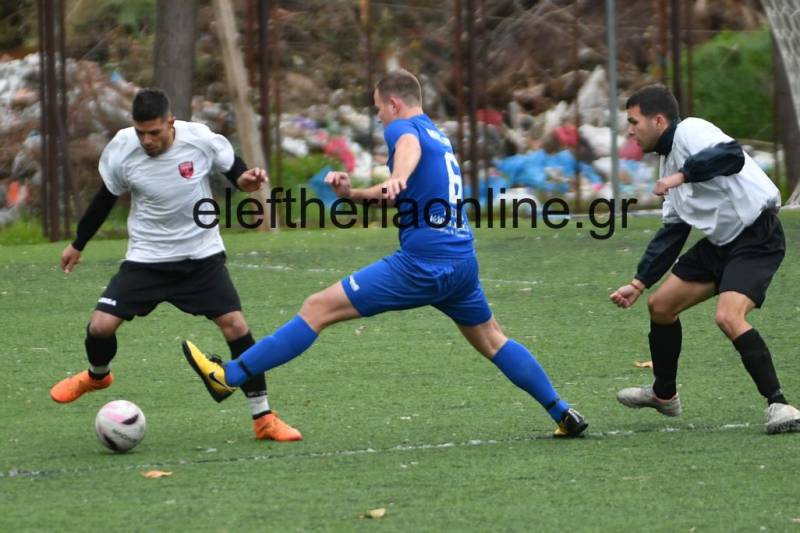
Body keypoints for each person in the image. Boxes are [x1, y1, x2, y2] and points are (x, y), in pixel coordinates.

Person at [182, 70, 588, 438]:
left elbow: (405, 150)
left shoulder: (403, 128)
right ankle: (562, 411)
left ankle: (229, 375)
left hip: (424, 263)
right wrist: (353, 194)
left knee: (317, 308)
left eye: (378, 109)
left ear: (394, 103)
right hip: (461, 261)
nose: (378, 118)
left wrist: (398, 176)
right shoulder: (437, 134)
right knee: (494, 340)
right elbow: (399, 190)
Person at [49, 88, 301, 442]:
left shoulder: (199, 139)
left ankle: (263, 418)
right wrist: (78, 243)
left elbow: (234, 169)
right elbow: (105, 198)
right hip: (146, 260)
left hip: (200, 257)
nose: (147, 141)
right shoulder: (123, 148)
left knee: (236, 326)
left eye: (154, 132)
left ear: (171, 122)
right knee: (100, 326)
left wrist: (245, 181)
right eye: (141, 133)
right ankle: (97, 375)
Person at [610, 84, 800, 434]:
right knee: (661, 306)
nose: (630, 131)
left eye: (634, 122)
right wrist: (638, 283)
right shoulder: (667, 164)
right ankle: (664, 395)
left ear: (659, 121)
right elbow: (673, 232)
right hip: (720, 245)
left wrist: (681, 176)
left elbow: (732, 155)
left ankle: (780, 405)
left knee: (728, 316)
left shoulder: (691, 131)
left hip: (757, 237)